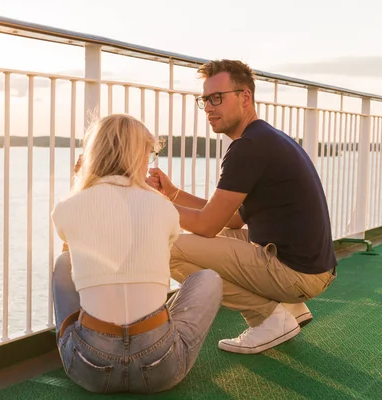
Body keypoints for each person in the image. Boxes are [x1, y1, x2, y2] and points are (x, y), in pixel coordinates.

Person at [148, 59, 337, 355]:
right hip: (313, 267)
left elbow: (208, 226)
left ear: (245, 97)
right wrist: (171, 194)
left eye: (217, 98)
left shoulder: (248, 147)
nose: (209, 107)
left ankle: (268, 318)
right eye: (205, 100)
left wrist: (153, 204)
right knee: (206, 239)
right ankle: (290, 308)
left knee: (165, 248)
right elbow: (232, 220)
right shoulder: (266, 139)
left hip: (296, 272)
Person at [51, 114, 222, 394]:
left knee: (64, 262)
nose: (149, 161)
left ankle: (71, 343)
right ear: (135, 156)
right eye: (148, 153)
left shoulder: (67, 206)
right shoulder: (163, 207)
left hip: (90, 368)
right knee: (209, 279)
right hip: (160, 366)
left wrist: (79, 182)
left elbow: (70, 255)